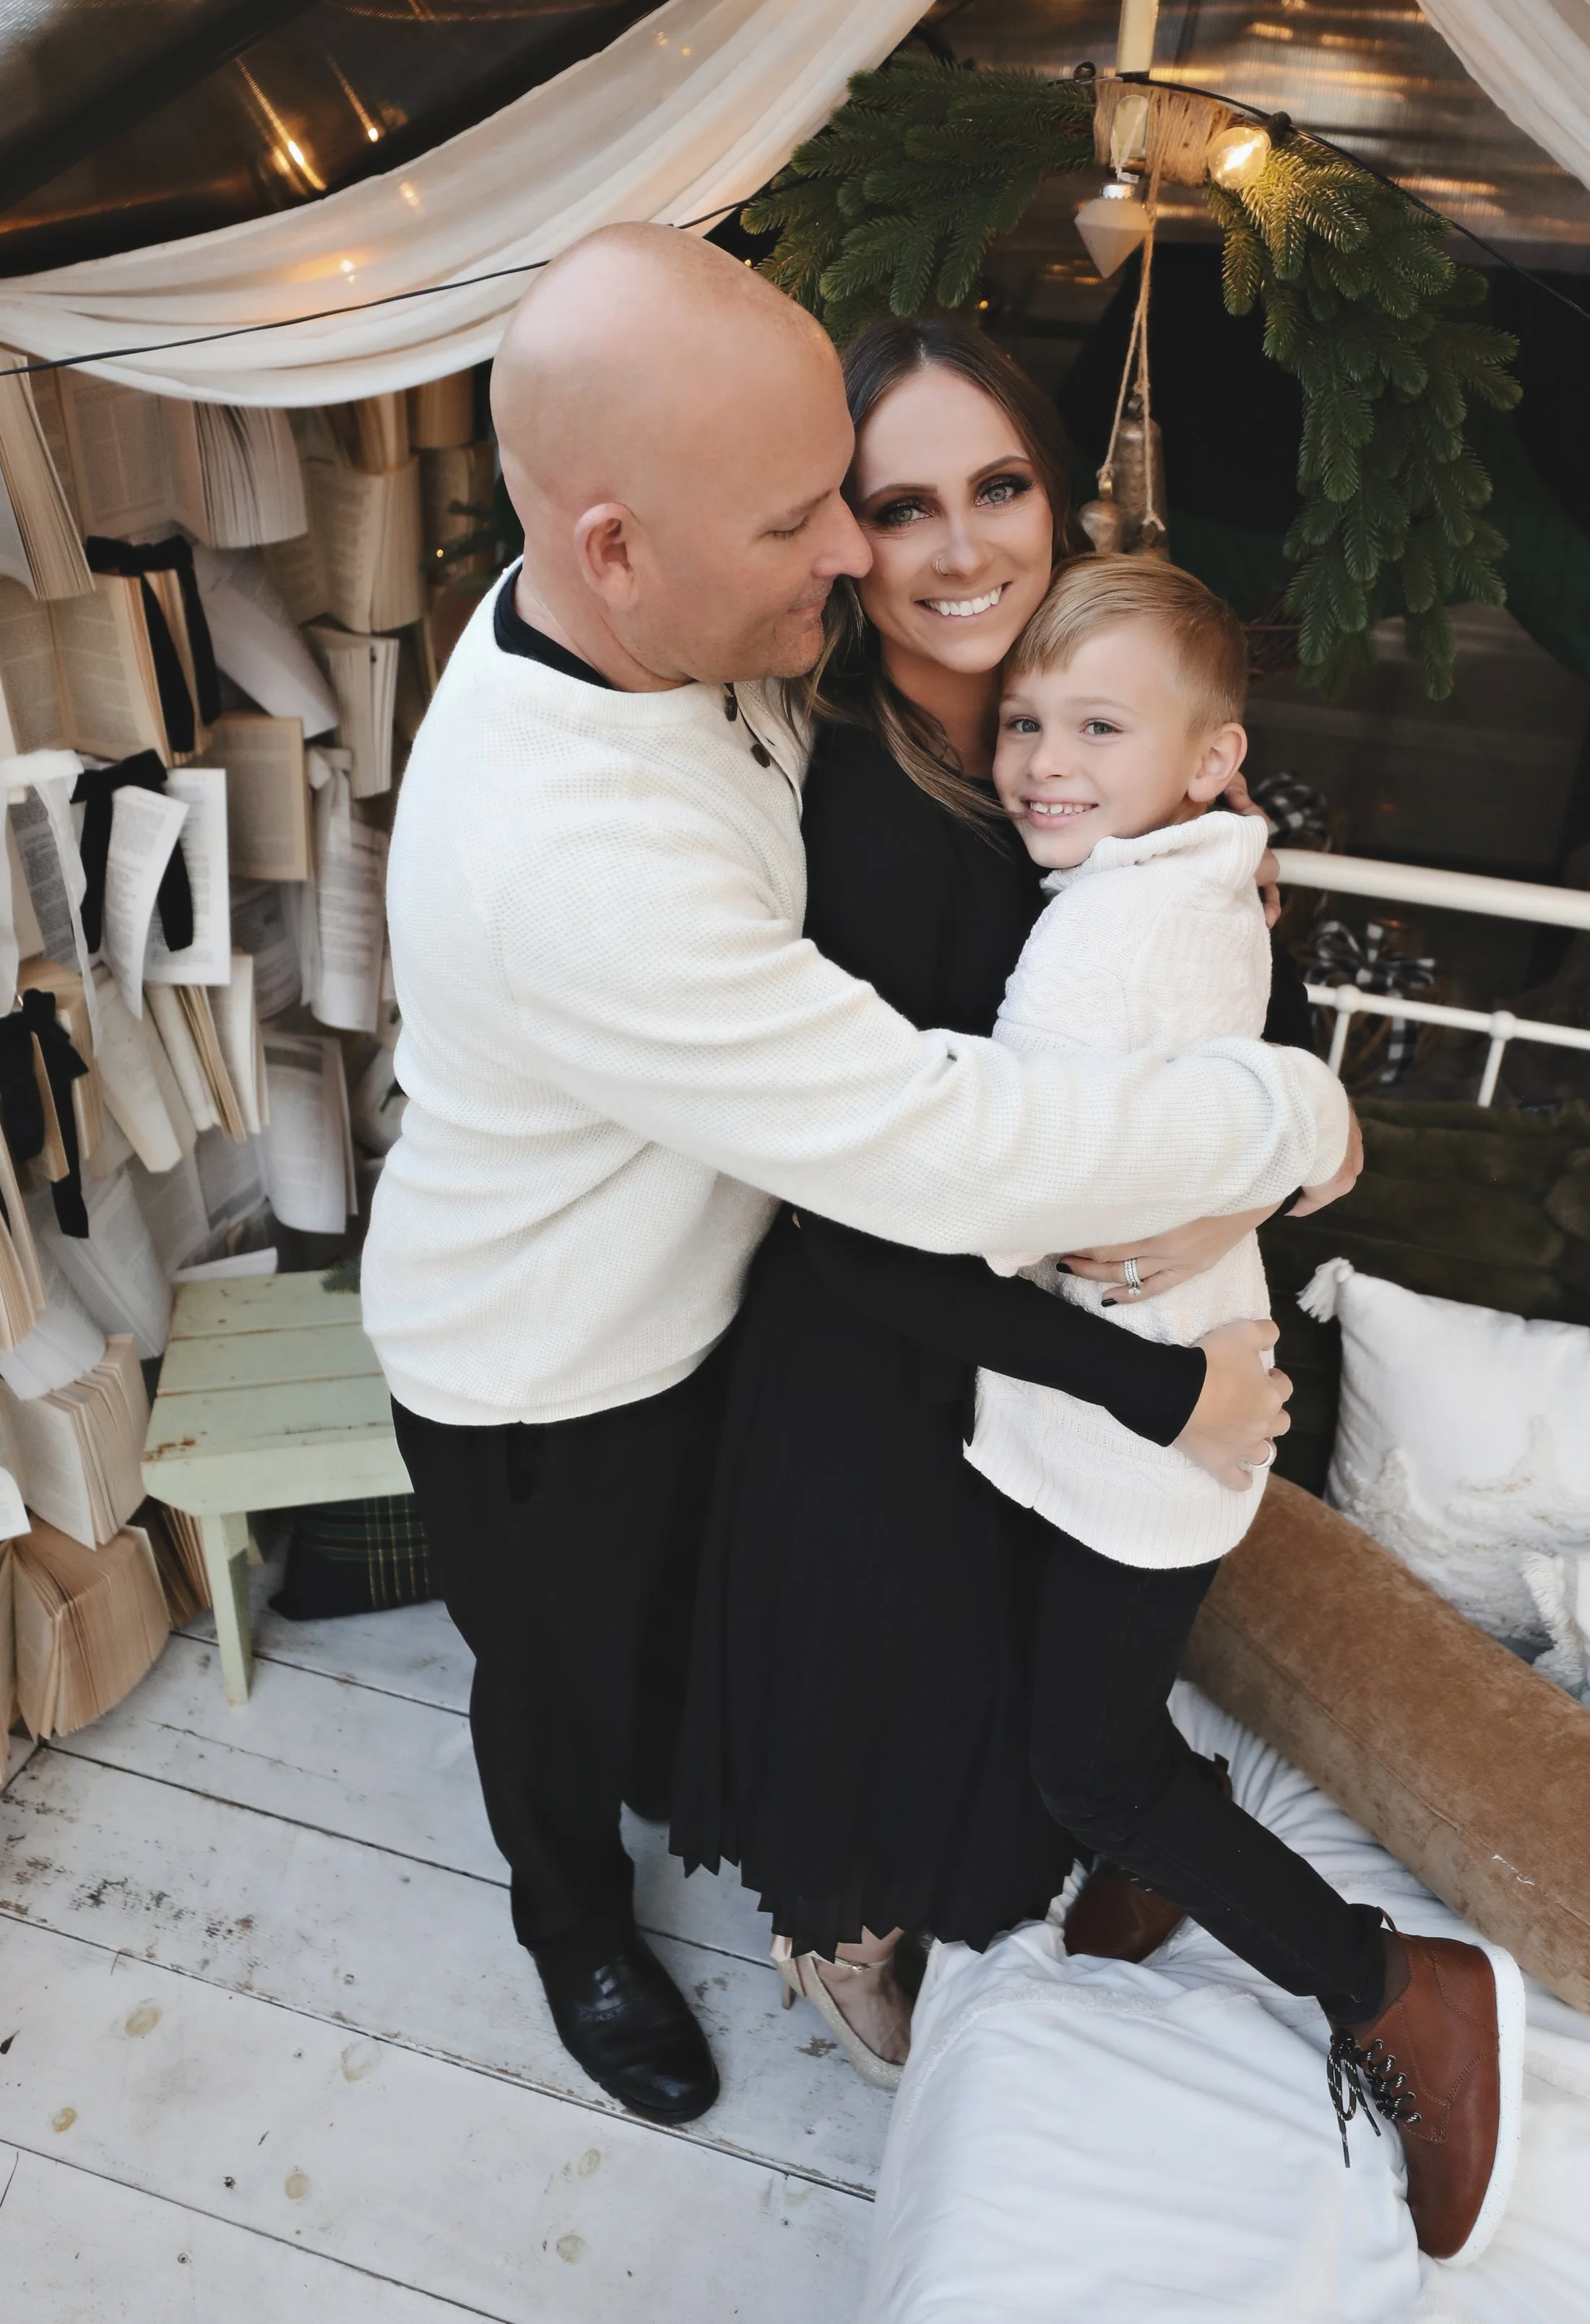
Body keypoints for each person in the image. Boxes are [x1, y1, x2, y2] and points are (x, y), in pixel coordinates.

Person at [363, 232, 1359, 2133]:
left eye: (868, 494)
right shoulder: (572, 861)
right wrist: (1292, 1124)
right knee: (560, 1679)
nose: (851, 552)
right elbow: (934, 1146)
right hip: (542, 1351)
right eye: (817, 516)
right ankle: (570, 1925)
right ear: (615, 550)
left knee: (701, 1658)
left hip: (724, 1294)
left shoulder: (706, 631)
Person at [671, 313, 1338, 2085]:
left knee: (1011, 1696)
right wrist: (1159, 1377)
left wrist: (1256, 1168)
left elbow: (1252, 1016)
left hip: (1034, 1336)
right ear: (842, 534)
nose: (959, 546)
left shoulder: (1109, 737)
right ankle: (838, 1928)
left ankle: (1026, 1868)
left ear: (1059, 496)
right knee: (877, 1695)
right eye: (901, 506)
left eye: (998, 487)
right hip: (888, 1340)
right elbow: (855, 1214)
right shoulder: (857, 816)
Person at [972, 553, 1523, 2268]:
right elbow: (1248, 1101)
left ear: (1209, 759)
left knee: (1084, 1761)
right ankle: (1163, 1852)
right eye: (1023, 722)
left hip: (1144, 1425)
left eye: (1097, 728)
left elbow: (997, 1192)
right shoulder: (1208, 879)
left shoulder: (1099, 938)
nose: (1042, 762)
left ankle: (1392, 1989)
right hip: (1142, 1406)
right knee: (1088, 1693)